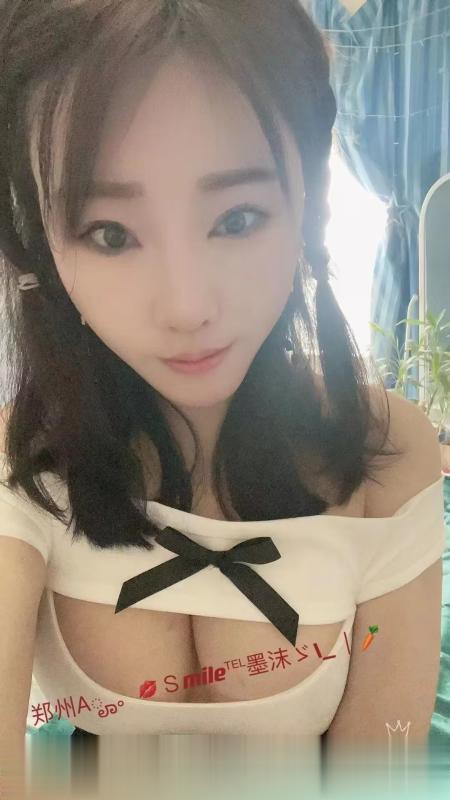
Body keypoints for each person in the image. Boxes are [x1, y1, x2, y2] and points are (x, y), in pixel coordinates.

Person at [0, 0, 446, 791]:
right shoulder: (21, 464)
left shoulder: (384, 454)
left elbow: (377, 773)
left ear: (307, 198)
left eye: (237, 218)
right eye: (110, 233)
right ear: (42, 240)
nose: (187, 307)